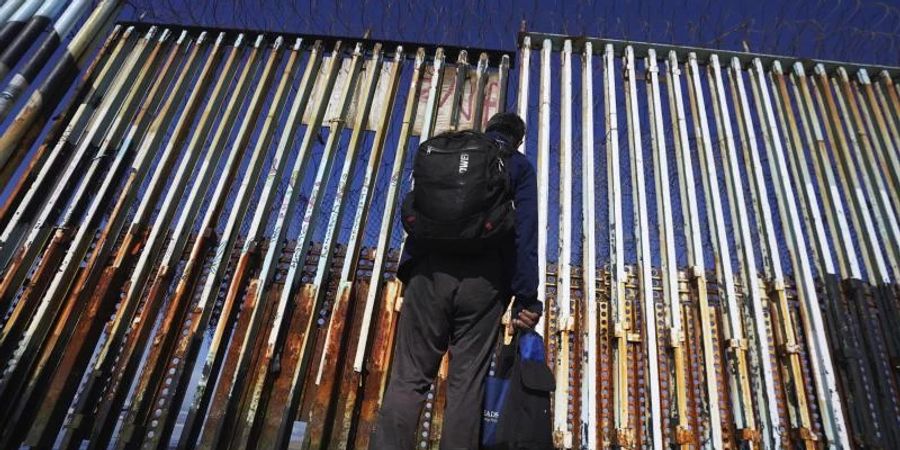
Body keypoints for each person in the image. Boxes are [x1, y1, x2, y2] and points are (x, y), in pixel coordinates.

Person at [371, 112, 541, 449]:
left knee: (409, 379)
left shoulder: (452, 155)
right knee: (467, 386)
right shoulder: (517, 166)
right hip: (485, 283)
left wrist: (410, 269)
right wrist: (526, 297)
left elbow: (418, 211)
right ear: (518, 139)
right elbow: (525, 233)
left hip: (428, 274)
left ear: (489, 129)